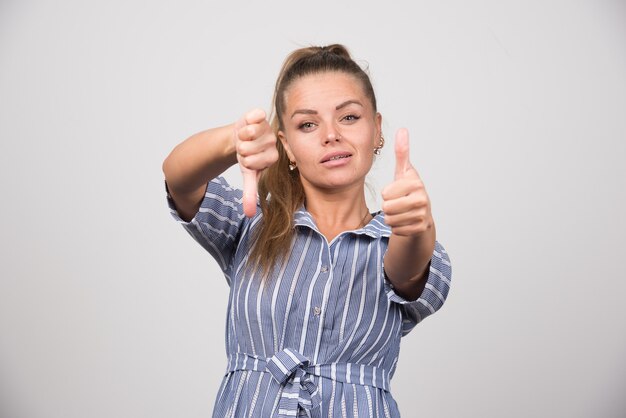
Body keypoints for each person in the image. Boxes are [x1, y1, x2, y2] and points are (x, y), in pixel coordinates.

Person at [162, 44, 452, 418]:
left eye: (348, 117)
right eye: (308, 124)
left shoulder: (396, 240)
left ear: (376, 130)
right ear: (287, 146)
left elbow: (407, 269)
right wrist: (233, 141)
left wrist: (416, 226)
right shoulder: (252, 224)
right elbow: (179, 180)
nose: (331, 135)